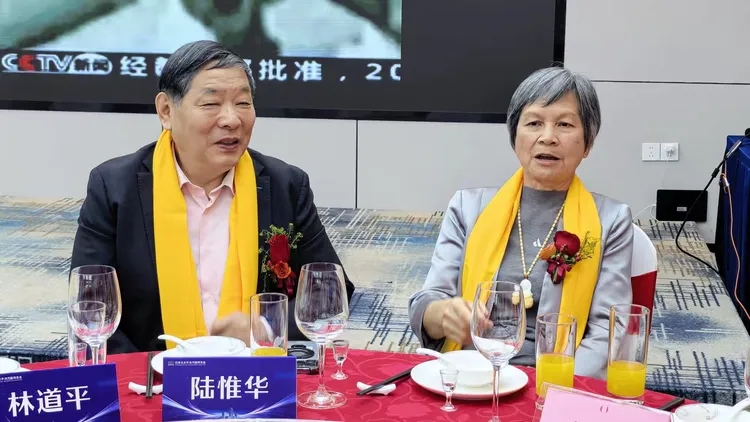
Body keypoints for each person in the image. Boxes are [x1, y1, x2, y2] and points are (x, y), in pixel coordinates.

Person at [70, 40, 354, 354]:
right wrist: (147, 375)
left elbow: (331, 293)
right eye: (211, 104)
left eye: (243, 103)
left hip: (256, 373)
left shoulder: (285, 185)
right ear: (166, 111)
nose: (231, 119)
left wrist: (266, 326)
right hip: (152, 374)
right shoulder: (114, 188)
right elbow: (89, 307)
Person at [408, 67, 633, 379]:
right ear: (515, 136)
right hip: (471, 373)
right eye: (534, 123)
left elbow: (608, 330)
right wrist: (442, 314)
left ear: (588, 144)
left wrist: (552, 391)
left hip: (555, 380)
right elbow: (427, 302)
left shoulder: (610, 221)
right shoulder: (468, 208)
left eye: (565, 124)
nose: (548, 137)